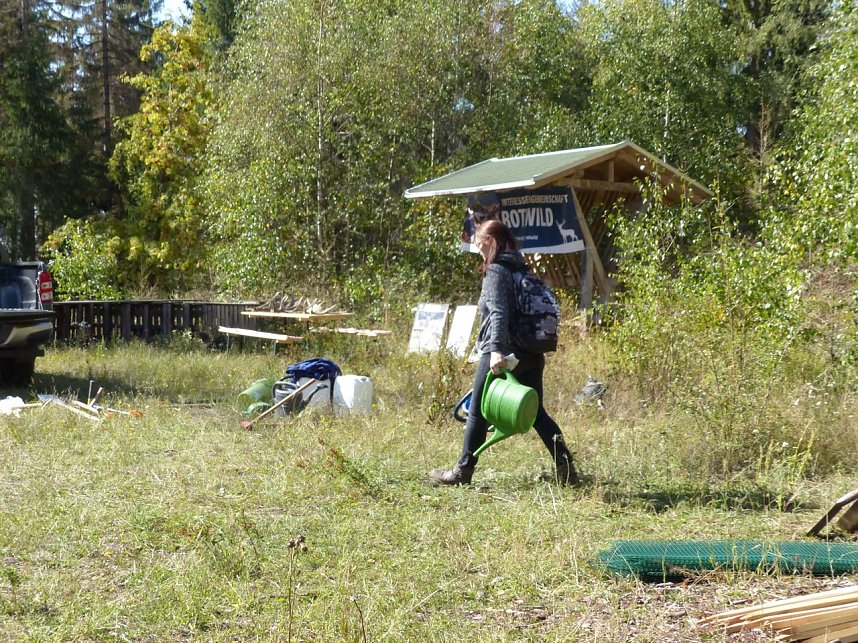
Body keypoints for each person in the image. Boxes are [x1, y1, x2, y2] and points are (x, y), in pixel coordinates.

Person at [431, 216, 578, 486]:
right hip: (531, 352)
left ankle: (462, 472)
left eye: (479, 243)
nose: (477, 247)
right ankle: (566, 468)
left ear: (493, 241)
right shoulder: (522, 268)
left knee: (476, 410)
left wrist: (496, 350)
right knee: (536, 413)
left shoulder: (497, 271)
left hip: (504, 350)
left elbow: (499, 313)